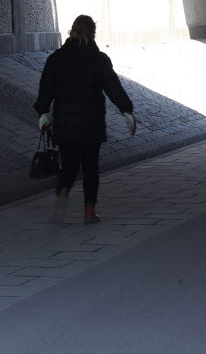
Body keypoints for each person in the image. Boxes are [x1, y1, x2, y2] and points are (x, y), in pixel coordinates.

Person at [33, 15, 135, 224]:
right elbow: (113, 88)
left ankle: (62, 199)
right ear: (93, 33)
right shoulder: (99, 60)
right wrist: (127, 111)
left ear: (71, 31)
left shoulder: (56, 59)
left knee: (68, 165)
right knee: (90, 167)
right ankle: (89, 211)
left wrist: (43, 112)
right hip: (91, 123)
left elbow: (46, 90)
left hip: (66, 123)